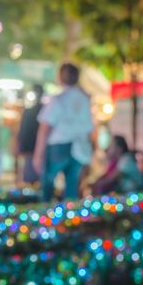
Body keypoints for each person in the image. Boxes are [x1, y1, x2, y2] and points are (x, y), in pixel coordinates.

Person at [33, 63, 93, 201]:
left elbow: (45, 128)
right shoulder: (84, 100)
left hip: (58, 146)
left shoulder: (58, 99)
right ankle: (70, 219)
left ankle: (45, 216)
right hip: (79, 147)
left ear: (60, 77)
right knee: (72, 188)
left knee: (47, 185)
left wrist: (38, 154)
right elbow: (90, 128)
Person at [18, 84, 44, 184]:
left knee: (30, 178)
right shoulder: (45, 110)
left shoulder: (29, 111)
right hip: (37, 148)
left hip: (31, 148)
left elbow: (23, 131)